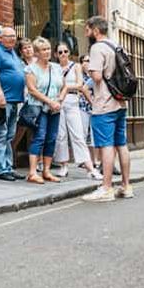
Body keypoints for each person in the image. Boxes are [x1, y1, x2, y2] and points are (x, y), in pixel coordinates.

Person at [82, 16, 133, 202]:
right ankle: (126, 186)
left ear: (95, 30)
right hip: (120, 103)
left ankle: (106, 188)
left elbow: (96, 77)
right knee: (121, 144)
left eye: (87, 29)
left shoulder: (97, 48)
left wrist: (89, 69)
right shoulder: (116, 45)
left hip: (104, 104)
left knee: (106, 146)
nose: (86, 33)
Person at [53, 44, 102, 180]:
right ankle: (63, 165)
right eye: (60, 52)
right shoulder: (54, 67)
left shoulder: (76, 66)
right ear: (56, 54)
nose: (63, 54)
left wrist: (65, 87)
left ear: (69, 52)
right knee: (61, 135)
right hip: (58, 101)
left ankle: (90, 168)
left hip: (72, 100)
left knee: (78, 135)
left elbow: (80, 84)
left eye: (65, 51)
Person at [24, 37, 67, 184]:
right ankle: (32, 172)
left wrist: (60, 99)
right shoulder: (31, 69)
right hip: (39, 107)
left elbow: (64, 86)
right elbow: (32, 90)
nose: (47, 52)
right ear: (36, 53)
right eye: (43, 50)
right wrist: (50, 102)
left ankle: (46, 171)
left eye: (48, 49)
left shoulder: (56, 68)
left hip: (55, 108)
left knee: (52, 138)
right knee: (39, 137)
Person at [0, 27, 27, 181]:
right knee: (0, 133)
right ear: (1, 38)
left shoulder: (13, 53)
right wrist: (0, 95)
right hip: (2, 101)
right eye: (9, 36)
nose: (12, 39)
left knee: (9, 135)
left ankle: (8, 167)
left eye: (14, 36)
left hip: (14, 100)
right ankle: (0, 169)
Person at [11, 37, 36, 161]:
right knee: (22, 126)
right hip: (25, 97)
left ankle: (34, 159)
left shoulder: (39, 62)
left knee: (35, 129)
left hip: (39, 98)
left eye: (29, 47)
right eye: (25, 48)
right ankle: (12, 150)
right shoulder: (19, 64)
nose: (28, 50)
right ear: (21, 52)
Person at [78, 54, 101, 170]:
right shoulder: (79, 75)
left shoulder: (95, 74)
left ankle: (95, 160)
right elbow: (81, 89)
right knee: (82, 134)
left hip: (96, 108)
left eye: (89, 61)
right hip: (83, 106)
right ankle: (85, 160)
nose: (87, 63)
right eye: (85, 61)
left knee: (94, 134)